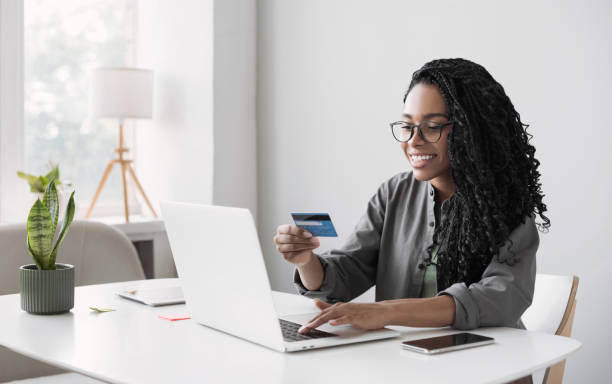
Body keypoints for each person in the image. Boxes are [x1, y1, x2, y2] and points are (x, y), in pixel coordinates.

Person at [274, 58, 550, 344]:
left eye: (431, 127)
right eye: (407, 127)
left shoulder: (506, 204)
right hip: (402, 362)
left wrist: (386, 311)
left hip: (488, 364)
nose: (413, 141)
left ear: (470, 130)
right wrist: (306, 261)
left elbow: (499, 298)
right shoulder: (394, 193)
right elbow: (347, 273)